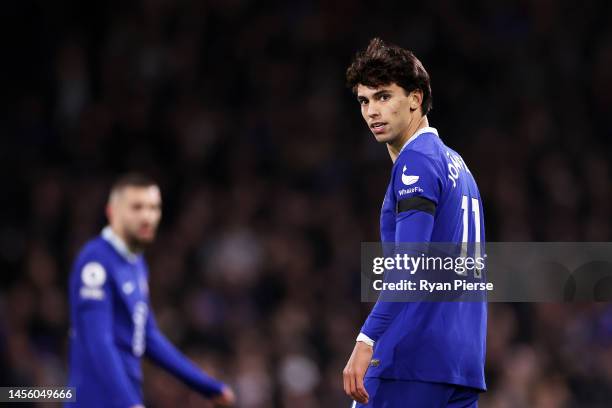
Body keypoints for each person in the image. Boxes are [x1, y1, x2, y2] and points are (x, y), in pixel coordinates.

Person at [342, 38, 487, 407]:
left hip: (409, 359)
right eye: (364, 100)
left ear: (415, 98)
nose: (373, 110)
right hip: (462, 363)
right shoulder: (458, 165)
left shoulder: (416, 162)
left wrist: (366, 338)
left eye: (384, 96)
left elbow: (408, 266)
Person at [65, 174, 235, 407]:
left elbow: (147, 337)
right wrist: (128, 404)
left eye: (154, 208)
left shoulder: (136, 264)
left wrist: (208, 386)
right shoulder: (96, 260)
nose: (147, 217)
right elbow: (99, 341)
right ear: (112, 211)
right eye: (137, 207)